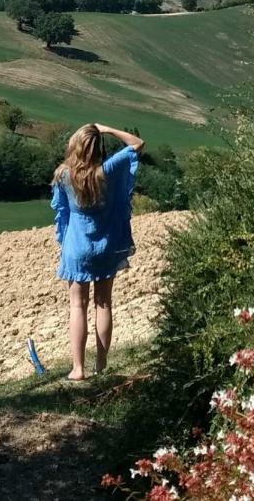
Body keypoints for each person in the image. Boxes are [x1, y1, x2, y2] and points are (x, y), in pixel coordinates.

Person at [51, 122, 144, 380]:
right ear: (97, 147)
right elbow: (137, 144)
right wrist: (108, 129)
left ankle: (78, 369)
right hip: (105, 247)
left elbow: (61, 213)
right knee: (103, 304)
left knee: (77, 306)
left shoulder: (63, 175)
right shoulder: (107, 171)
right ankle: (100, 364)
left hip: (76, 248)